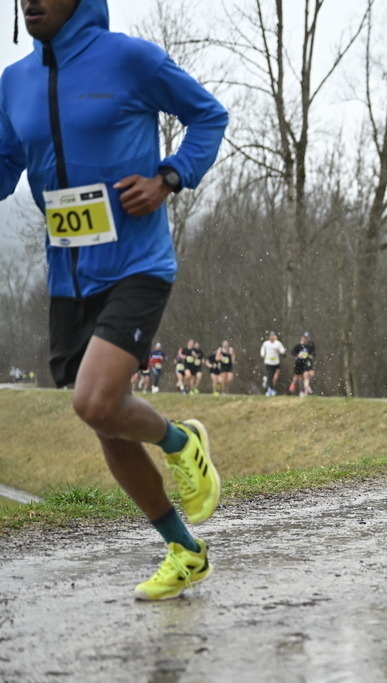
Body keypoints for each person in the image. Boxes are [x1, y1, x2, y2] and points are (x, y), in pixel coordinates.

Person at [0, 0, 227, 599]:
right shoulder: (14, 82)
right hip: (68, 280)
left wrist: (170, 177)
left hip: (137, 265)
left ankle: (183, 442)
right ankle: (185, 550)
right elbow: (3, 168)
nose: (29, 1)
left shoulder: (128, 59)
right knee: (107, 424)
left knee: (95, 402)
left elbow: (209, 116)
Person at [289, 331, 316, 397]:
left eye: (307, 338)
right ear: (302, 338)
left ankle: (306, 389)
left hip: (307, 362)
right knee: (298, 376)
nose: (306, 339)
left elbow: (314, 353)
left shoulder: (311, 345)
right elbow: (293, 352)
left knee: (309, 374)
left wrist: (310, 355)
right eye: (305, 338)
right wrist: (297, 355)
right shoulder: (298, 346)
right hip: (299, 362)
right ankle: (295, 386)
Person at [260, 331, 286, 396]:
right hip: (268, 362)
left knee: (275, 376)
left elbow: (283, 351)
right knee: (270, 375)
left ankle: (270, 386)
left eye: (273, 336)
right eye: (270, 336)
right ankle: (270, 389)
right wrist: (262, 354)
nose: (272, 337)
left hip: (276, 362)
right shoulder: (266, 343)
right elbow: (262, 350)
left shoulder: (278, 343)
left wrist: (279, 351)